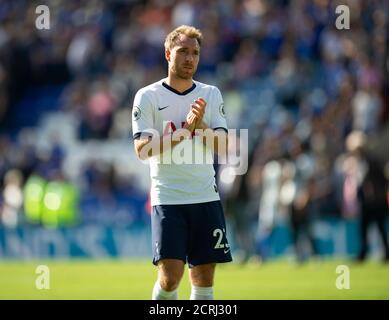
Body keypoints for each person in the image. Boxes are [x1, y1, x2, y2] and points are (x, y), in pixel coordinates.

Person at [131, 25, 232, 300]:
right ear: (167, 54)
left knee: (204, 278)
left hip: (205, 197)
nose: (190, 59)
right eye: (183, 51)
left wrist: (199, 128)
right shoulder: (148, 96)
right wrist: (182, 133)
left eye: (195, 53)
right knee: (170, 277)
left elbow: (224, 146)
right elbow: (142, 149)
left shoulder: (210, 94)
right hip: (168, 199)